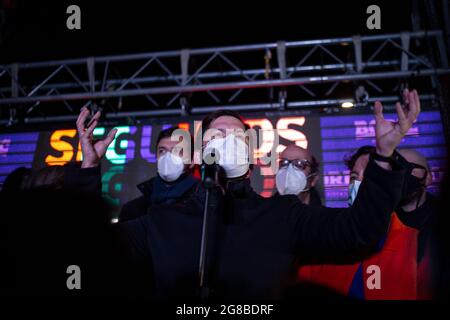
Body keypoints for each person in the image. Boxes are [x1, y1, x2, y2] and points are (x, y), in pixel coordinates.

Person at [69, 89, 420, 300]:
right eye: (214, 137)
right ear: (196, 154)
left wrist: (384, 157)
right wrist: (87, 168)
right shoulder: (162, 221)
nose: (223, 143)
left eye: (235, 137)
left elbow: (360, 233)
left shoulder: (283, 216)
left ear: (251, 158)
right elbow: (90, 250)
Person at [298, 146, 438, 299]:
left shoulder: (414, 240)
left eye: (370, 175)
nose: (360, 182)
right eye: (354, 176)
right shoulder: (324, 234)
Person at [120, 126, 199, 222]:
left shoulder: (202, 204)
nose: (168, 156)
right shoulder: (133, 210)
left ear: (192, 161)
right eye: (162, 151)